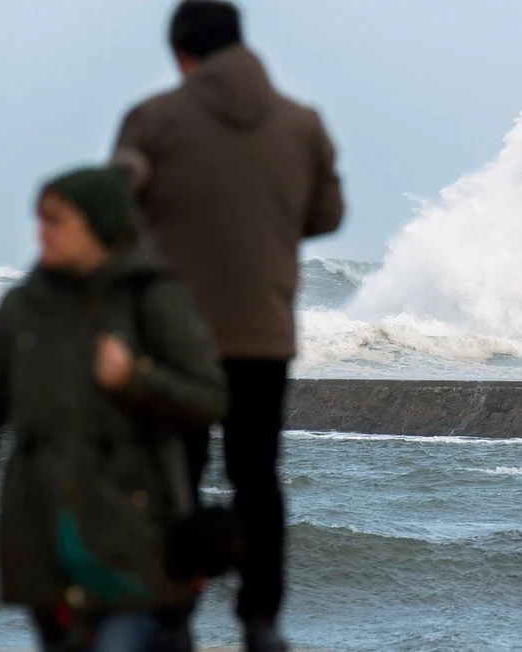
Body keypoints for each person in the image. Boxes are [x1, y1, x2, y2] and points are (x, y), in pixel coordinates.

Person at [112, 2, 344, 649]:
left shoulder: (153, 121)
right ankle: (260, 619)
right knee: (257, 476)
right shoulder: (304, 125)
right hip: (262, 333)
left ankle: (173, 614)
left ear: (183, 56)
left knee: (173, 475)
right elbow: (326, 215)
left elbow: (116, 213)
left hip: (172, 336)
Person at [0, 164, 228, 652]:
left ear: (99, 226)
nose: (40, 232)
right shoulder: (22, 306)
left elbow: (210, 397)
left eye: (56, 221)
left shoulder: (154, 297)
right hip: (42, 527)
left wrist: (135, 379)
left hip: (131, 529)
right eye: (40, 219)